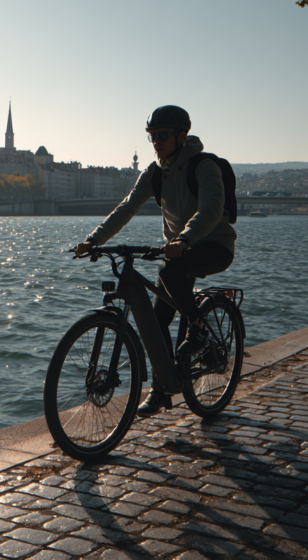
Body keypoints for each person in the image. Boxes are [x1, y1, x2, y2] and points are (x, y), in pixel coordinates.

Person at [74, 105, 237, 417]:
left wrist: (185, 238)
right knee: (155, 319)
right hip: (180, 249)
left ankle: (198, 327)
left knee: (170, 271)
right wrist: (94, 240)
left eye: (162, 136)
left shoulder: (204, 166)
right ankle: (164, 389)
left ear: (182, 135)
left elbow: (212, 208)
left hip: (213, 244)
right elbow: (126, 208)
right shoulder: (154, 173)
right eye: (151, 137)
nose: (156, 142)